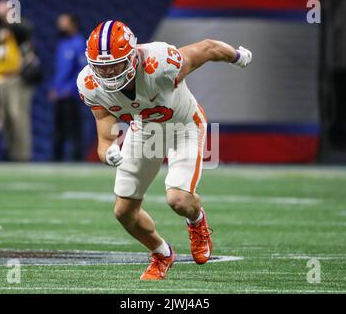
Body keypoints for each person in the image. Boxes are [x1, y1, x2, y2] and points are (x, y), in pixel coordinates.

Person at [77, 20, 252, 280]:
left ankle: (197, 220)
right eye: (102, 67)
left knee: (178, 200)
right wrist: (109, 153)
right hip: (145, 131)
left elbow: (207, 48)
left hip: (184, 127)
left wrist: (236, 57)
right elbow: (104, 138)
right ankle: (162, 253)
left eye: (114, 63)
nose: (109, 72)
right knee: (123, 213)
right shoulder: (90, 84)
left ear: (133, 55)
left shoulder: (159, 63)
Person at [0, 0, 36, 162]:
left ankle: (22, 156)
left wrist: (8, 18)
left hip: (16, 78)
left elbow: (27, 30)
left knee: (18, 116)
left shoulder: (18, 27)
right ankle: (10, 153)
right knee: (4, 119)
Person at [49, 14, 87, 161]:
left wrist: (69, 90)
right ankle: (56, 162)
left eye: (64, 22)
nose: (60, 26)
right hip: (59, 95)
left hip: (72, 96)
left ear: (73, 24)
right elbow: (59, 71)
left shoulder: (79, 43)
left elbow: (82, 70)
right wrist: (55, 88)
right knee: (58, 132)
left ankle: (77, 161)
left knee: (75, 131)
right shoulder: (61, 44)